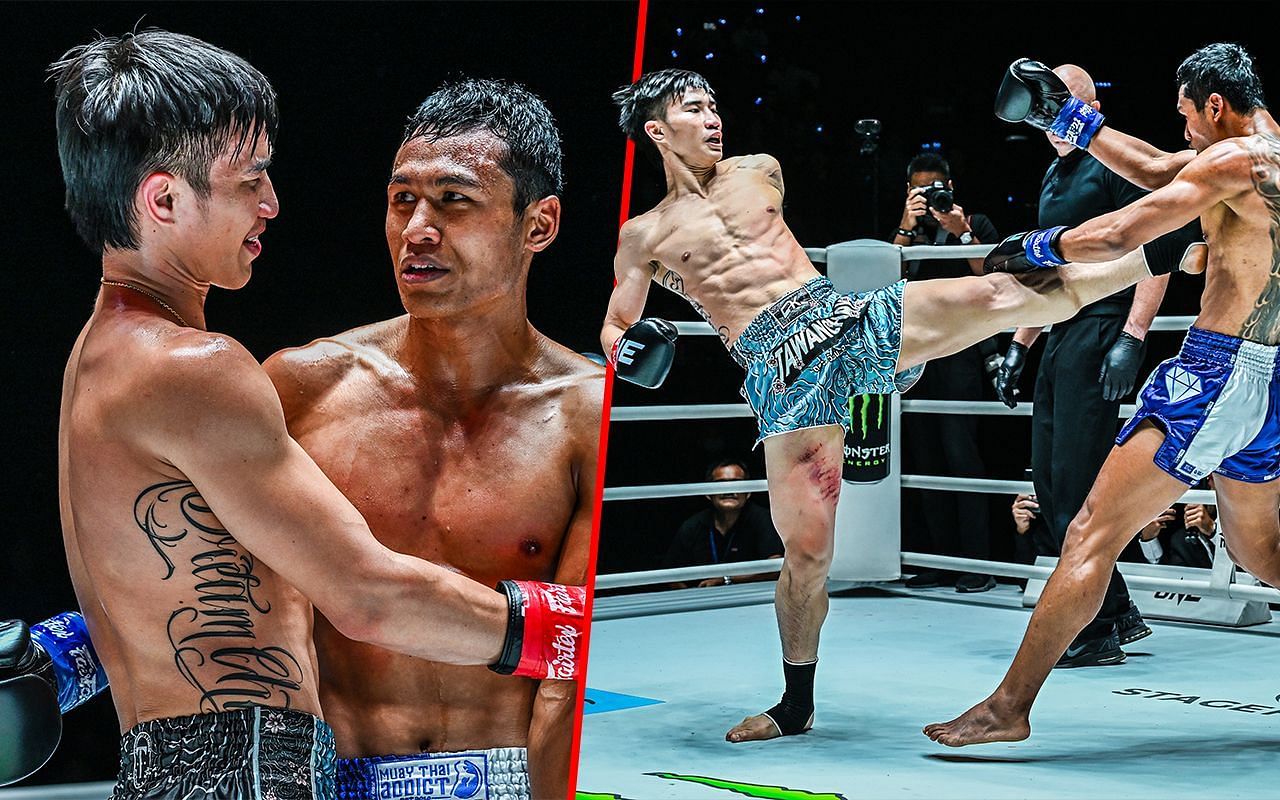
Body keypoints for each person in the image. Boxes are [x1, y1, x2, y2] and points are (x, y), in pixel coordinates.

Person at [11, 30, 583, 796]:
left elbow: (172, 564)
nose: (272, 204)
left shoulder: (105, 355)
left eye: (453, 201)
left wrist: (56, 653)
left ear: (538, 224)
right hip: (248, 768)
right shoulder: (210, 371)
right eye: (249, 181)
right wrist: (579, 632)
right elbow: (367, 596)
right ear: (164, 199)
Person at [603, 68, 1176, 744]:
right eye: (693, 109)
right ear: (656, 130)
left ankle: (1173, 247)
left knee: (1002, 295)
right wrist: (629, 351)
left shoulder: (759, 169)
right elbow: (615, 326)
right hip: (782, 373)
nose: (712, 117)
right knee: (809, 556)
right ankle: (795, 705)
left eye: (713, 105)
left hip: (841, 318)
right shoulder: (644, 235)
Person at [925, 43, 1280, 747]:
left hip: (1218, 371)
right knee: (1264, 554)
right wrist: (1071, 120)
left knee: (1090, 533)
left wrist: (1037, 247)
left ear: (1215, 105)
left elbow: (1124, 228)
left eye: (1186, 116)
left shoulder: (1232, 158)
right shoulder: (1262, 153)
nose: (1183, 131)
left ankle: (1008, 707)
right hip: (1271, 376)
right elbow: (1156, 169)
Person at [264, 79, 600, 800]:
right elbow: (225, 592)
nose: (418, 228)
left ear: (537, 226)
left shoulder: (585, 415)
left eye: (453, 200)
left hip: (506, 775)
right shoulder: (305, 387)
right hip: (327, 774)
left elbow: (565, 677)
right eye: (401, 200)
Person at [994, 64, 1170, 664]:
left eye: (1059, 102)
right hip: (1063, 332)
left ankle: (1098, 625)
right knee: (1048, 481)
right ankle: (1114, 612)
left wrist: (1133, 335)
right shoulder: (1054, 172)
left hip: (1102, 327)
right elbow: (1048, 269)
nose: (1047, 117)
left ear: (1089, 103)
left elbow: (1159, 249)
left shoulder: (1115, 161)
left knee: (1073, 484)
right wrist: (1020, 345)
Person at [893, 153, 1000, 593]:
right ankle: (939, 559)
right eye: (919, 189)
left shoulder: (977, 223)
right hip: (918, 356)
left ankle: (978, 563)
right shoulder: (909, 231)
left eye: (935, 187)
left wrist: (962, 233)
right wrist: (904, 224)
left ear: (951, 187)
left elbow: (994, 276)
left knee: (961, 456)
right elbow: (884, 281)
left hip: (962, 353)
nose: (929, 195)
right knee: (925, 456)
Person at [663, 459, 784, 587]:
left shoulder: (763, 519)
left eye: (736, 484)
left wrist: (727, 579)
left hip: (753, 597)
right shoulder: (693, 525)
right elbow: (669, 574)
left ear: (748, 492)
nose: (729, 491)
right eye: (721, 484)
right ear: (708, 492)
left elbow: (776, 567)